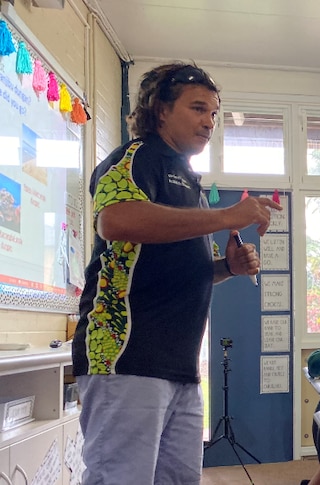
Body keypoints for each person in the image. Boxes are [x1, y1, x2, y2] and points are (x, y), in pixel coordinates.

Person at [72, 62, 282, 485]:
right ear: (160, 110)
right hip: (125, 355)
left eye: (214, 114)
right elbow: (115, 220)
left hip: (180, 366)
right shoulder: (137, 157)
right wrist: (226, 216)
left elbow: (174, 269)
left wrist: (226, 267)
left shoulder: (190, 181)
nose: (209, 122)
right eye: (198, 108)